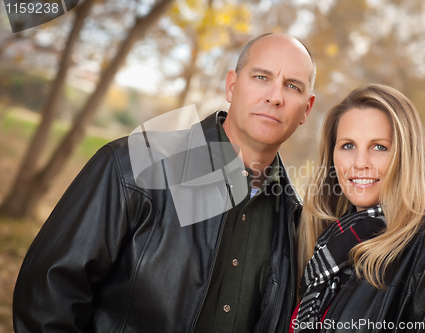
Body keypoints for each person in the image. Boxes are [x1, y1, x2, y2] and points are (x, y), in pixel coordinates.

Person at [12, 33, 316, 333]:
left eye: (292, 86)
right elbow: (46, 298)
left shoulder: (298, 225)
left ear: (307, 108)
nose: (275, 96)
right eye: (262, 77)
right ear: (232, 85)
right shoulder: (132, 165)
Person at [290, 84, 425, 332]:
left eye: (379, 147)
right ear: (332, 155)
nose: (360, 163)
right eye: (348, 145)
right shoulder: (328, 242)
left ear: (405, 156)